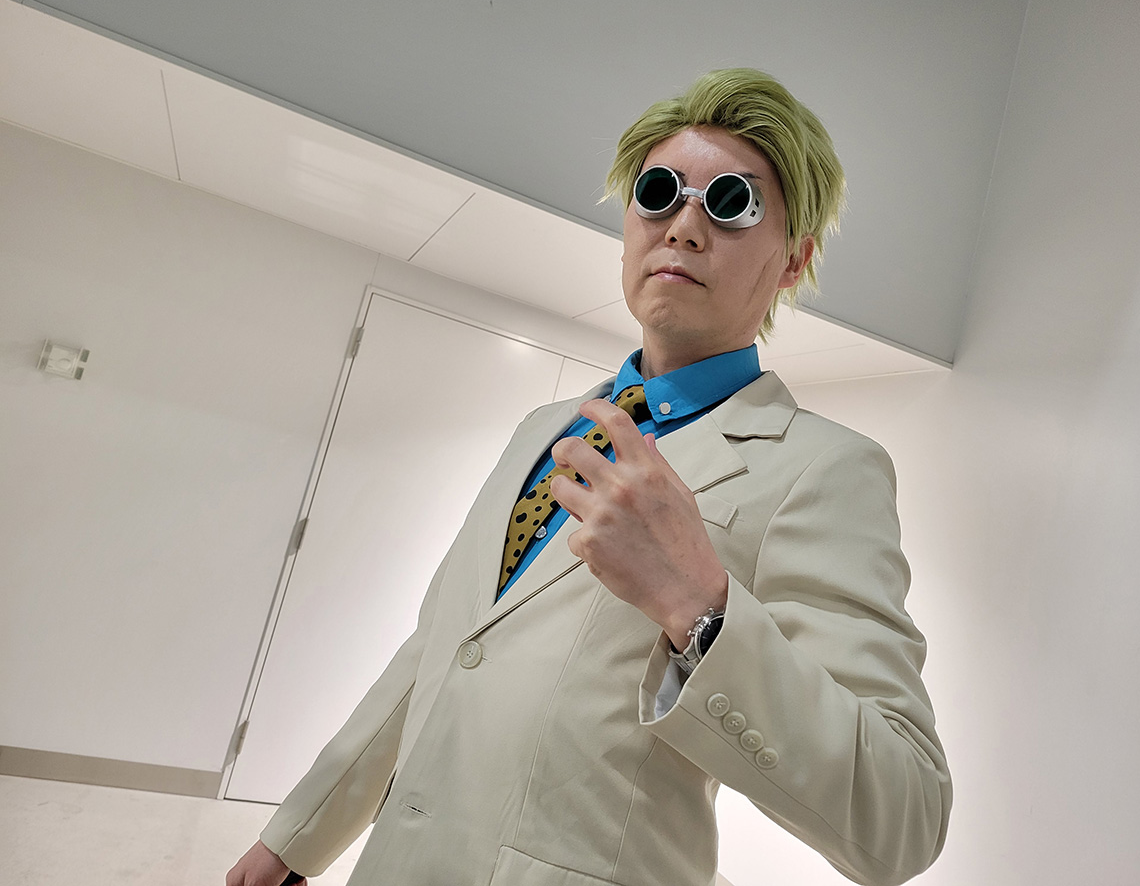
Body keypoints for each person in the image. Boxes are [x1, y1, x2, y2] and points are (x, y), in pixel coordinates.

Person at [227, 68, 951, 886]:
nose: (684, 227)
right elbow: (442, 648)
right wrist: (298, 835)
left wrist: (700, 609)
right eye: (659, 193)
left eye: (731, 204)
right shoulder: (544, 429)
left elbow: (903, 817)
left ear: (793, 260)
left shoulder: (824, 469)